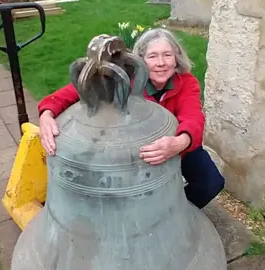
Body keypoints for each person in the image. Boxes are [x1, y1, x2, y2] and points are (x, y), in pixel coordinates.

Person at [36, 28, 224, 209]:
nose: (161, 63)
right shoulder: (122, 79)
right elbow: (69, 93)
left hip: (175, 146)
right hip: (134, 152)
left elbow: (193, 116)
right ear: (140, 60)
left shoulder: (186, 82)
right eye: (152, 56)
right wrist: (46, 114)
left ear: (176, 59)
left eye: (167, 55)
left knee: (211, 183)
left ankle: (175, 215)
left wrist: (180, 142)